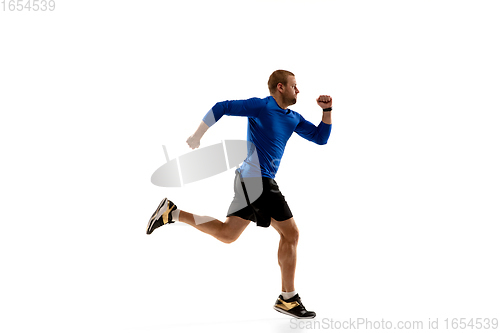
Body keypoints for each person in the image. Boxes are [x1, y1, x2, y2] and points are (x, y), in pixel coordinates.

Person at [147, 70, 332, 319]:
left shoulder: (294, 118)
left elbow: (321, 138)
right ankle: (287, 298)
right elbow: (221, 106)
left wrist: (327, 111)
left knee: (228, 233)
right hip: (258, 180)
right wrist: (198, 135)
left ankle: (173, 213)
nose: (298, 90)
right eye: (294, 86)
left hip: (248, 180)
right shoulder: (261, 106)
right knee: (291, 233)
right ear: (280, 87)